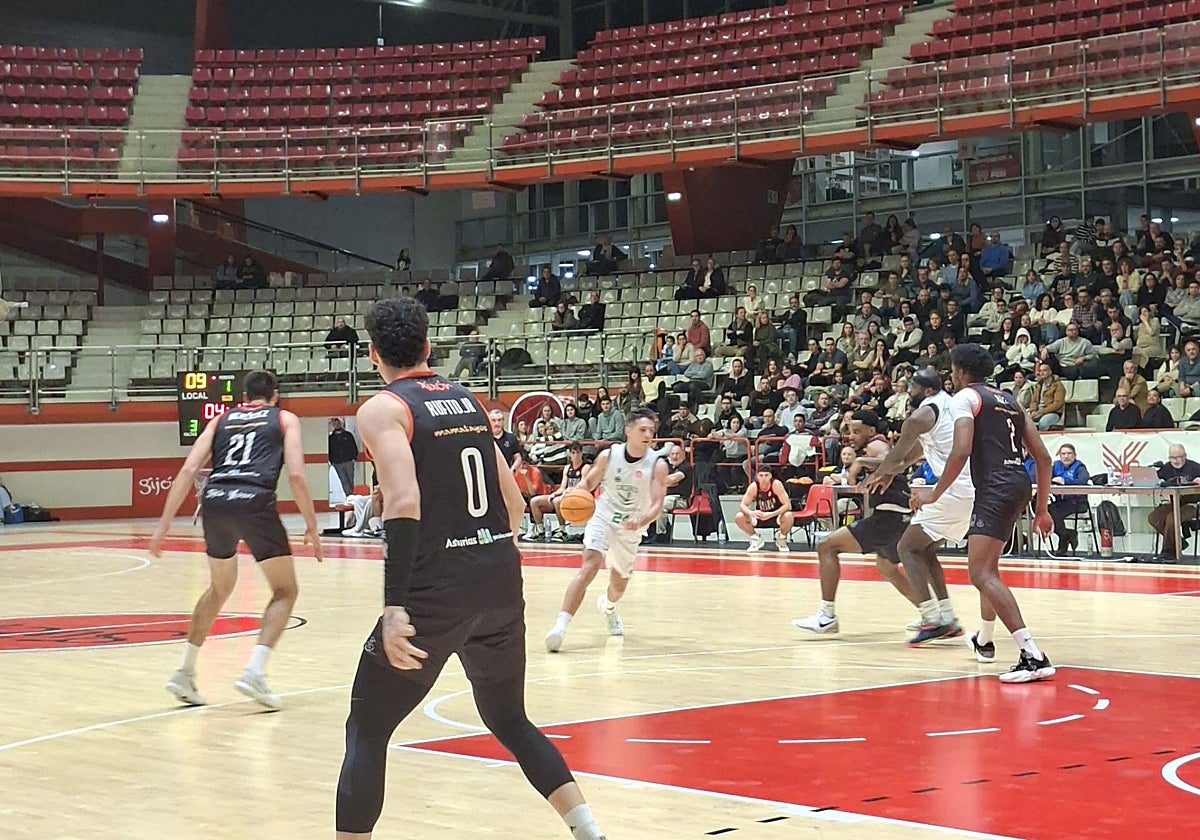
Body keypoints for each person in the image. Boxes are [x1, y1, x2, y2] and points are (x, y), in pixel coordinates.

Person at [333, 298, 608, 840]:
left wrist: (394, 606)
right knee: (510, 719)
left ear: (372, 354)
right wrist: (494, 562)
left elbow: (403, 501)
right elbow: (510, 500)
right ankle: (589, 832)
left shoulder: (383, 408)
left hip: (438, 589)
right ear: (428, 348)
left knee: (367, 728)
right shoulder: (468, 401)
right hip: (500, 577)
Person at [150, 370, 322, 709]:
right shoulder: (285, 419)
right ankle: (254, 672)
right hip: (254, 500)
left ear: (243, 397)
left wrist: (164, 524)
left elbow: (188, 470)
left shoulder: (221, 420)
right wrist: (312, 526)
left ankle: (184, 671)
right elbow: (298, 475)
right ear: (275, 395)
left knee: (219, 588)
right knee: (285, 590)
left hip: (214, 501)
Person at [915, 343, 1056, 682]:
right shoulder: (1011, 400)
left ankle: (1031, 654)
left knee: (980, 574)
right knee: (989, 568)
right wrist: (1041, 509)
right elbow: (1044, 458)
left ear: (960, 371)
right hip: (1018, 483)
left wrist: (935, 492)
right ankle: (985, 640)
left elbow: (961, 450)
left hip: (993, 487)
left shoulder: (965, 398)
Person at [544, 408, 668, 652]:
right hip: (603, 515)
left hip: (631, 526)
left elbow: (657, 505)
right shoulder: (609, 456)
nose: (648, 435)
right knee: (589, 565)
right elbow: (589, 483)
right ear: (628, 431)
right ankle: (560, 627)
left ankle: (608, 606)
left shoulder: (657, 464)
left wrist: (641, 520)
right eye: (643, 430)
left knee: (618, 585)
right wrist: (576, 492)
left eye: (651, 431)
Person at [861, 369, 966, 646]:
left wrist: (881, 474)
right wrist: (893, 469)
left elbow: (896, 455)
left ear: (926, 391)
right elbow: (918, 452)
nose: (908, 392)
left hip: (953, 488)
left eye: (912, 387)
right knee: (926, 550)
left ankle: (931, 619)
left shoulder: (918, 416)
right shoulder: (950, 404)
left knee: (906, 547)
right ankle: (947, 617)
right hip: (968, 488)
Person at [791, 410, 921, 634]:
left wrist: (860, 461)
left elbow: (890, 461)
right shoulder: (870, 446)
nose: (851, 435)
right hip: (900, 516)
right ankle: (932, 615)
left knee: (827, 547)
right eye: (850, 430)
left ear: (871, 431)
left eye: (857, 431)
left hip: (889, 516)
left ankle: (826, 616)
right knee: (886, 567)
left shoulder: (876, 445)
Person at [524, 443, 589, 542]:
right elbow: (563, 487)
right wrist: (554, 494)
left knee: (557, 501)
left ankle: (562, 531)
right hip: (565, 495)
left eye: (578, 453)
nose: (576, 456)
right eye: (573, 453)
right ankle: (540, 531)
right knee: (534, 501)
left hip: (579, 497)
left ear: (582, 453)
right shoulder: (567, 468)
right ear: (569, 454)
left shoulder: (585, 468)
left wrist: (569, 491)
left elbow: (584, 487)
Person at [1148, 444, 1200, 561]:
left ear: (1185, 456)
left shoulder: (1195, 468)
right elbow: (1156, 479)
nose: (1176, 460)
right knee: (1154, 517)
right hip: (1174, 503)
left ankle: (1168, 552)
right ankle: (1179, 542)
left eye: (1179, 457)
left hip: (1192, 505)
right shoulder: (1167, 468)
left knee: (1172, 518)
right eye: (1172, 458)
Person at [733, 466, 794, 552]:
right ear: (757, 476)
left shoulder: (776, 484)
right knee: (739, 517)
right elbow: (743, 505)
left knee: (788, 515)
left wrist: (771, 514)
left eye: (766, 475)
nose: (764, 478)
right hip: (760, 516)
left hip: (776, 515)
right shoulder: (754, 486)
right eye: (761, 475)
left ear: (770, 476)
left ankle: (781, 539)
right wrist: (751, 513)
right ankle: (755, 538)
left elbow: (787, 505)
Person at [1047, 444, 1090, 554]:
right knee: (1047, 512)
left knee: (1054, 514)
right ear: (1060, 456)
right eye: (1063, 454)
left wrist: (1065, 482)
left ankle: (1064, 539)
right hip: (1059, 501)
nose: (1066, 456)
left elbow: (1083, 481)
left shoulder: (1080, 467)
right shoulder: (1055, 466)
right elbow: (1046, 479)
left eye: (1069, 453)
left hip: (1076, 502)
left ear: (1075, 455)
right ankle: (1066, 534)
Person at [328, 418, 359, 496]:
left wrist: (354, 458)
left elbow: (353, 447)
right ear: (332, 425)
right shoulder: (331, 438)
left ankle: (352, 496)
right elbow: (330, 450)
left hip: (349, 461)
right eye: (334, 423)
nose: (337, 425)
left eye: (338, 423)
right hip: (337, 463)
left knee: (350, 479)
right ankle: (349, 496)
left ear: (341, 423)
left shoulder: (348, 435)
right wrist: (332, 461)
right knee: (343, 480)